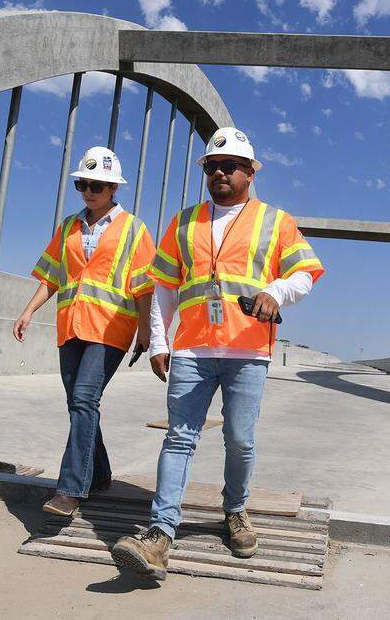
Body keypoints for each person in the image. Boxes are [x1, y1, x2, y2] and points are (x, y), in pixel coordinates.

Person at [109, 127, 324, 580]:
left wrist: (276, 291)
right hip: (192, 347)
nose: (220, 173)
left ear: (250, 173)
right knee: (180, 437)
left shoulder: (275, 220)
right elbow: (165, 285)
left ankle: (235, 509)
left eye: (230, 166)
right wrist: (160, 341)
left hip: (248, 350)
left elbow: (304, 273)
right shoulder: (184, 221)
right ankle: (160, 535)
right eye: (212, 166)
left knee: (240, 440)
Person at [13, 146, 156, 516]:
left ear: (113, 188)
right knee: (79, 404)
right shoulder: (69, 228)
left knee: (83, 400)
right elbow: (52, 275)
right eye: (82, 184)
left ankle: (71, 490)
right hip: (71, 326)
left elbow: (144, 285)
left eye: (96, 185)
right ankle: (100, 473)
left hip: (111, 329)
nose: (88, 191)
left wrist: (146, 331)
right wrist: (28, 311)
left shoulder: (133, 229)